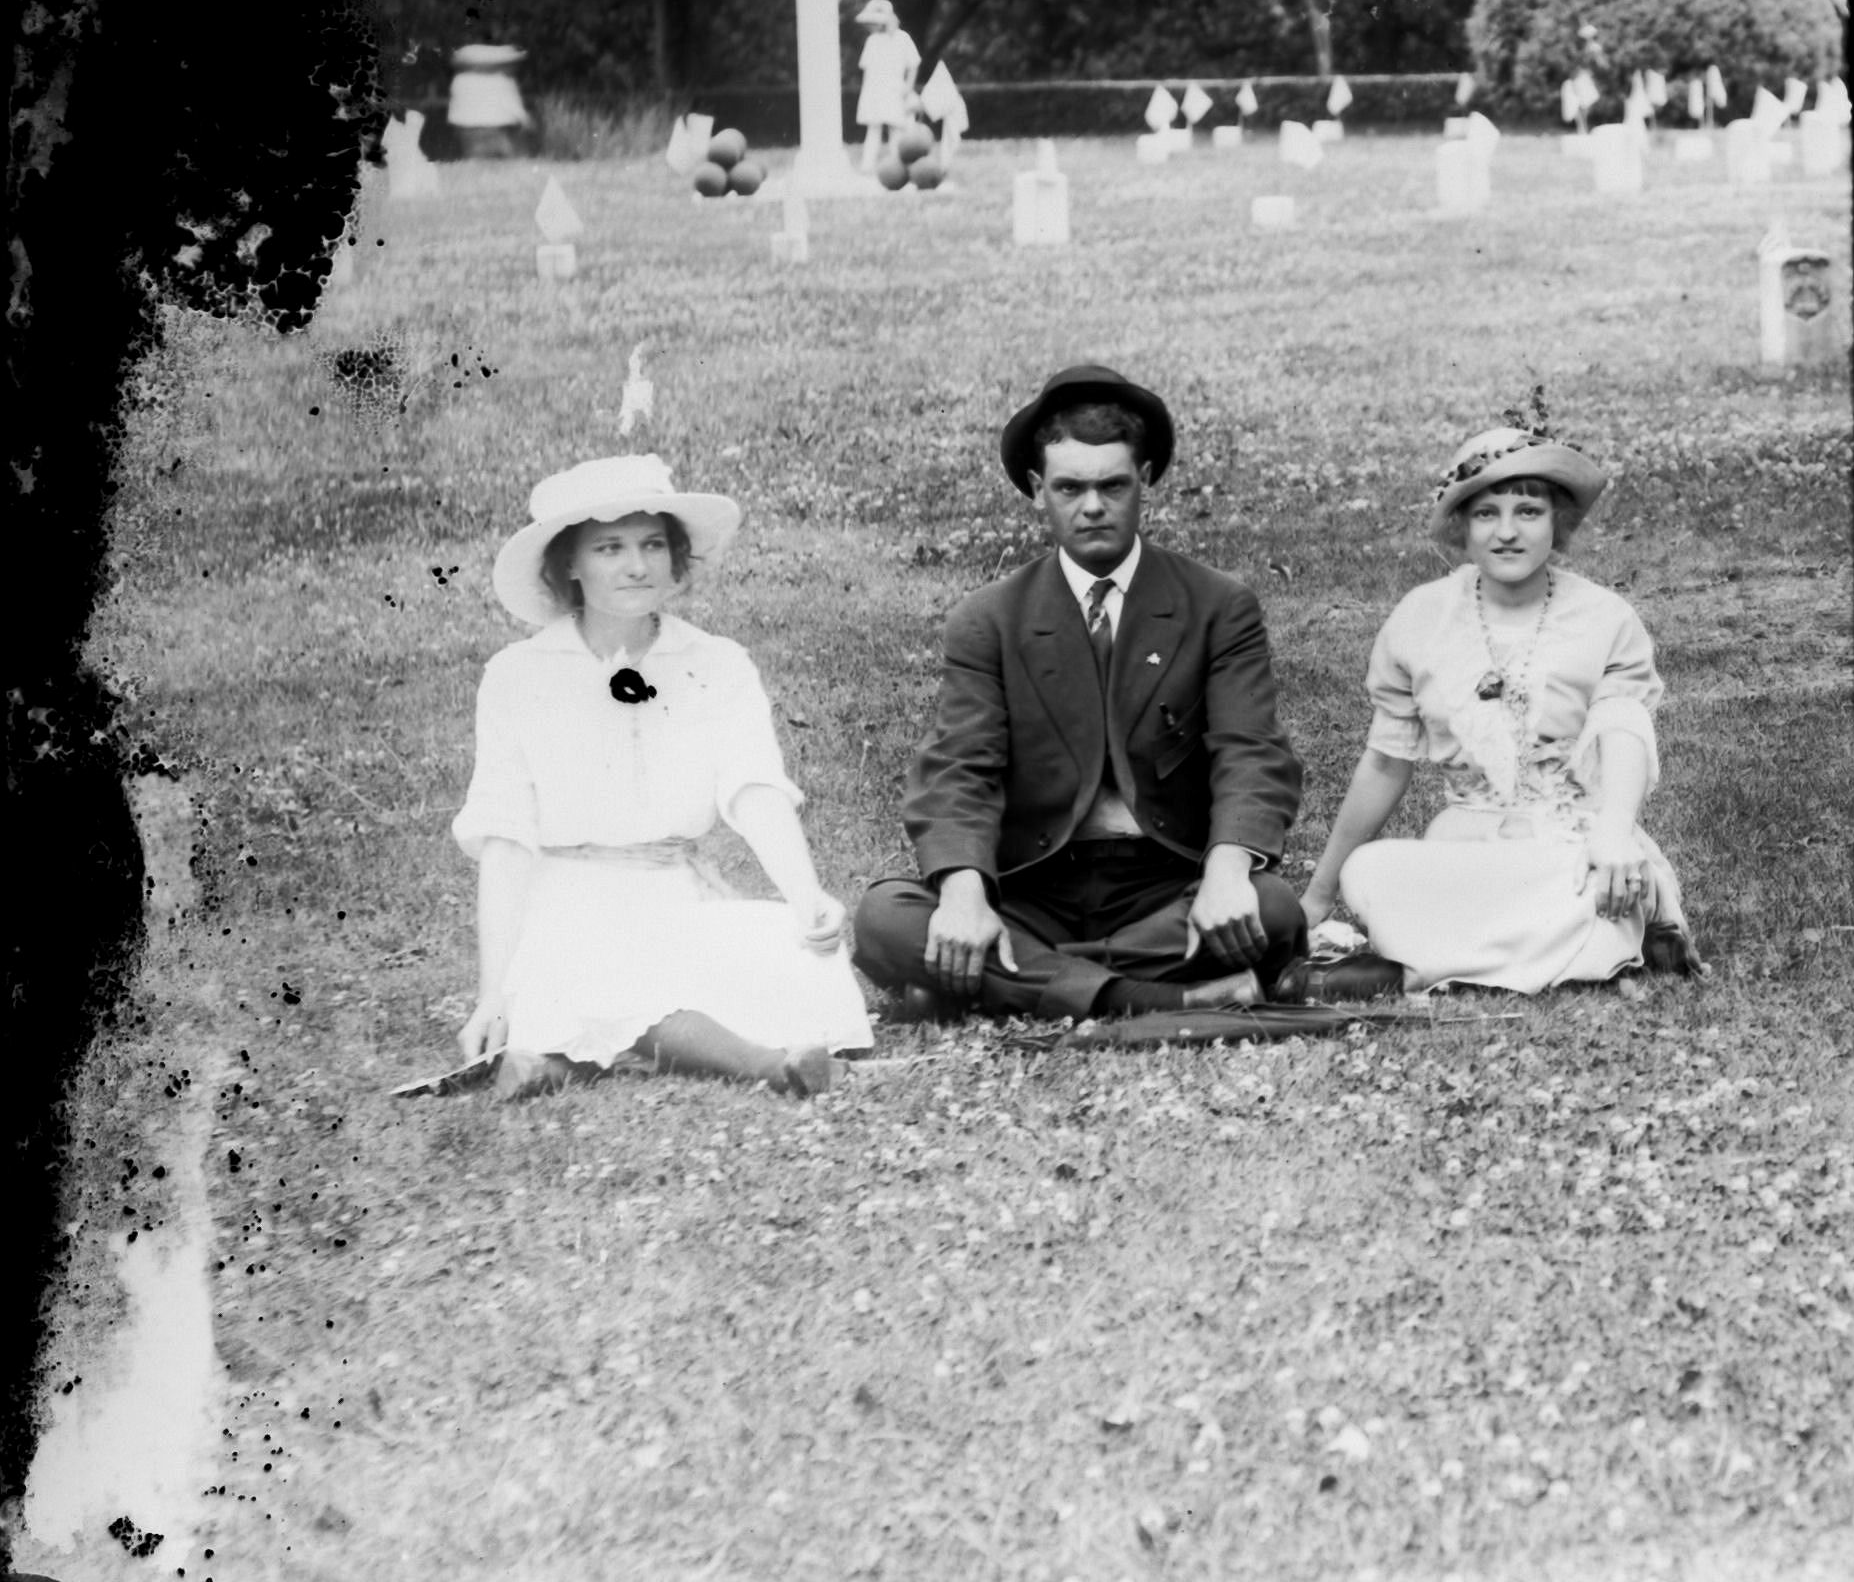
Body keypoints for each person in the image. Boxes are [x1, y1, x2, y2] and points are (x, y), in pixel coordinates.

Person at [853, 364, 1311, 1023]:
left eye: (1112, 485)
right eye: (1069, 487)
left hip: (1165, 884)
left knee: (1270, 907)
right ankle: (1154, 997)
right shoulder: (989, 618)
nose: (1092, 506)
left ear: (1144, 479)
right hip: (1031, 887)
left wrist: (1226, 871)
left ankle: (997, 982)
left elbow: (1251, 751)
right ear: (1037, 488)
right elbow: (959, 767)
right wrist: (962, 894)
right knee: (884, 916)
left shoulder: (1217, 606)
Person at [453, 454, 874, 1099]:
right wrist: (491, 994)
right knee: (607, 967)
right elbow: (506, 839)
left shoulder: (716, 662)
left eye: (652, 544)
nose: (637, 565)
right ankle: (765, 1065)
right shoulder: (518, 675)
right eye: (610, 548)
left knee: (788, 949)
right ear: (570, 563)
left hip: (675, 893)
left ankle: (558, 1062)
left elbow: (753, 789)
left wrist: (805, 894)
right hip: (568, 903)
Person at [1299, 420, 1704, 993]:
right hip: (1467, 848)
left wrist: (1614, 834)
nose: (1507, 532)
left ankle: (1429, 959)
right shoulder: (1419, 618)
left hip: (1571, 841)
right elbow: (1386, 761)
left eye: (1528, 512)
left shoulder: (1605, 617)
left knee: (1590, 879)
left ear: (1558, 522)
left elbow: (1625, 730)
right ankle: (1582, 941)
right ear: (1462, 527)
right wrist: (1319, 894)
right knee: (1365, 871)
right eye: (1487, 513)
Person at [852, 0, 922, 170]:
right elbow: (867, 68)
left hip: (895, 89)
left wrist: (908, 87)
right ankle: (867, 165)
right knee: (873, 128)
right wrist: (867, 93)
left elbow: (913, 65)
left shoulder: (903, 38)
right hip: (875, 89)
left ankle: (897, 165)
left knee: (896, 128)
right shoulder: (873, 40)